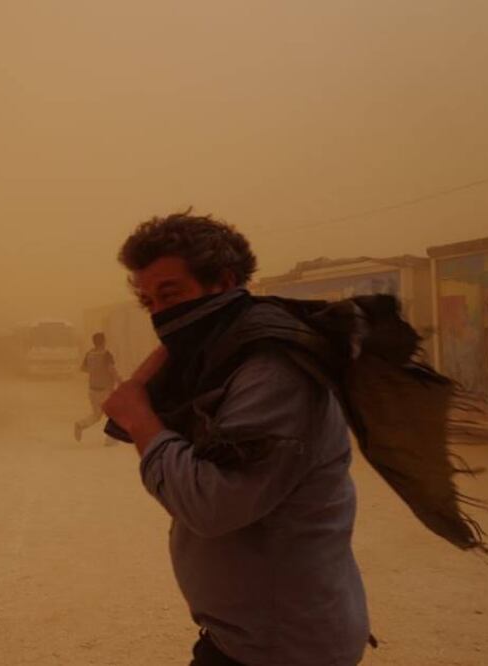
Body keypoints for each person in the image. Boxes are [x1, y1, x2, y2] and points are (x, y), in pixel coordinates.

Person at [102, 211, 371, 665]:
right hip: (246, 642)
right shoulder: (226, 361)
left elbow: (214, 503)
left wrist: (142, 419)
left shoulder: (274, 371)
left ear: (224, 283)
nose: (163, 316)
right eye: (150, 303)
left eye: (171, 293)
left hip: (284, 650)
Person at [73, 332, 120, 443]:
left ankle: (80, 424)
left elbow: (83, 369)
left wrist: (95, 370)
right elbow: (111, 370)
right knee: (113, 413)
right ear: (104, 341)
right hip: (105, 389)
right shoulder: (106, 354)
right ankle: (110, 439)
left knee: (96, 415)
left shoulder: (89, 354)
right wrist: (120, 381)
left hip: (93, 389)